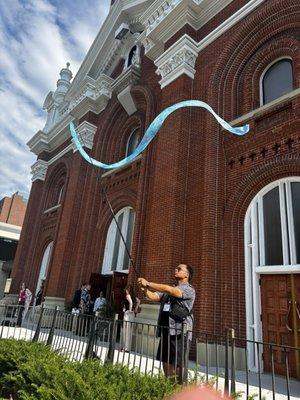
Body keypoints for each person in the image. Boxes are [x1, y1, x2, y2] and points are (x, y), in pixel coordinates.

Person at [138, 263, 195, 379]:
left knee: (178, 364)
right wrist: (145, 289)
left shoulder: (189, 289)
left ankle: (180, 389)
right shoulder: (170, 289)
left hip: (180, 332)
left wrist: (148, 283)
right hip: (166, 330)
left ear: (187, 275)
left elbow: (170, 290)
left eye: (179, 269)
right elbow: (153, 296)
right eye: (176, 268)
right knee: (165, 360)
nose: (176, 269)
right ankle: (168, 386)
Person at [121, 285, 140, 352]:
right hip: (132, 315)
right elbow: (138, 301)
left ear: (127, 290)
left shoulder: (128, 295)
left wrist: (130, 310)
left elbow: (131, 303)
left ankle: (125, 348)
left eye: (126, 289)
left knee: (125, 331)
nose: (125, 291)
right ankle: (127, 348)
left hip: (127, 314)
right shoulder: (134, 296)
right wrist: (135, 310)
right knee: (129, 331)